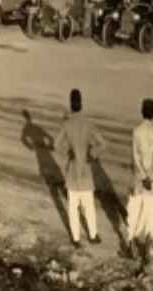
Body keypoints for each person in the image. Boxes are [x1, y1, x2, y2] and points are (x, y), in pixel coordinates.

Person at [55, 88, 108, 248]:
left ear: (71, 105)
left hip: (72, 171)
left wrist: (67, 153)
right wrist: (91, 154)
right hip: (85, 171)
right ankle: (92, 236)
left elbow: (56, 144)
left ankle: (76, 239)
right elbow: (103, 144)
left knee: (72, 207)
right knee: (89, 206)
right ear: (81, 104)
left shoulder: (66, 124)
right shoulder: (88, 123)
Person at [124, 98, 153, 261]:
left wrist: (142, 175)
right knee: (150, 215)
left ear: (142, 111)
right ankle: (146, 249)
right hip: (152, 183)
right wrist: (151, 177)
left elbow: (135, 157)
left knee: (133, 213)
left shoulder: (136, 131)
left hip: (138, 180)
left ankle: (130, 245)